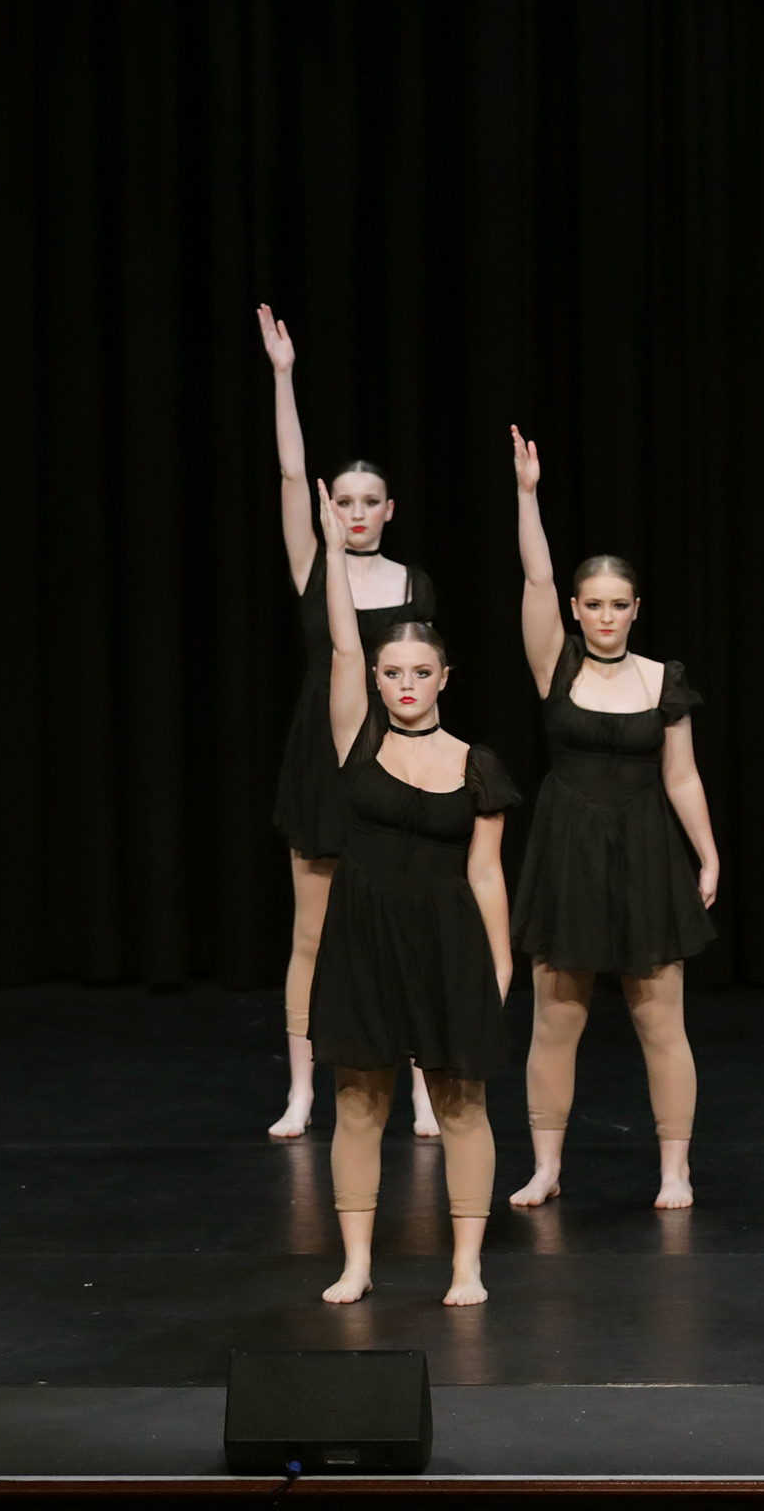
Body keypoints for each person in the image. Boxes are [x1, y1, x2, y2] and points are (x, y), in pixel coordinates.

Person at [306, 484, 518, 1306]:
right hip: (363, 935)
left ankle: (466, 1264)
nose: (404, 684)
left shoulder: (476, 764)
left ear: (443, 679)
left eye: (419, 672)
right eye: (392, 672)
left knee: (461, 1101)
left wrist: (501, 963)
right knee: (359, 1100)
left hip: (446, 938)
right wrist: (333, 551)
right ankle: (357, 1262)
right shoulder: (357, 735)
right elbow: (341, 645)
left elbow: (486, 872)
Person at [501, 427, 722, 1211]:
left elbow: (681, 774)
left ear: (635, 610)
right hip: (568, 850)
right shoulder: (555, 664)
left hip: (645, 850)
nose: (604, 616)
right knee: (555, 1019)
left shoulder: (663, 679)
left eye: (617, 605)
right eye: (591, 604)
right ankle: (546, 1167)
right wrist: (528, 497)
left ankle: (675, 1169)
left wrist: (708, 854)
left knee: (661, 1020)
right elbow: (535, 575)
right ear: (575, 608)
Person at [259, 305, 444, 1142]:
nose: (356, 512)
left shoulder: (412, 584)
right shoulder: (312, 562)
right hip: (320, 756)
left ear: (390, 509)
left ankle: (421, 1089)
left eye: (370, 502)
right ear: (329, 508)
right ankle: (303, 1091)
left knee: (403, 929)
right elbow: (290, 473)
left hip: (393, 756)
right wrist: (284, 376)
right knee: (313, 931)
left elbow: (424, 682)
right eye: (344, 501)